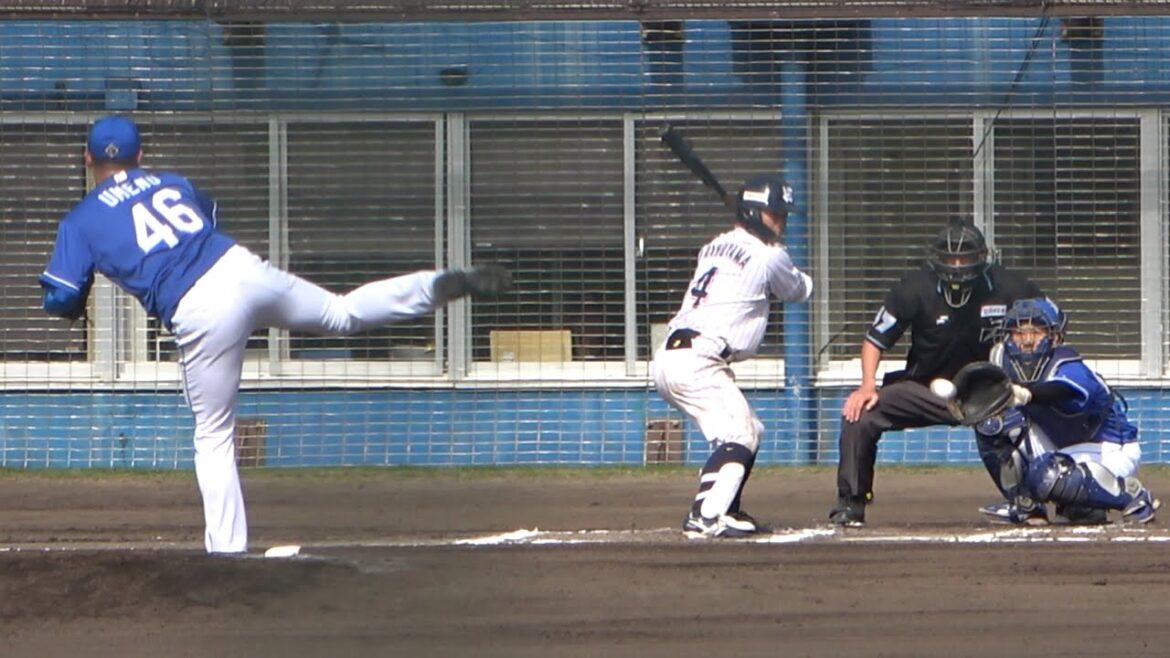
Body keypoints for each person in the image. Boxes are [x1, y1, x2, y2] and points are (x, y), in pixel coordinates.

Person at [39, 115, 512, 554]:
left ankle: (228, 554)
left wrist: (76, 296)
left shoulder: (80, 220)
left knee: (214, 434)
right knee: (341, 312)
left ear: (87, 158)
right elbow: (206, 218)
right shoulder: (170, 181)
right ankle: (437, 283)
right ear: (141, 156)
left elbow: (60, 298)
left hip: (199, 307)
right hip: (240, 267)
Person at [830, 218, 1042, 526]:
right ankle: (851, 502)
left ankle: (1035, 500)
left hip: (990, 394)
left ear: (981, 257)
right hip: (925, 390)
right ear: (936, 258)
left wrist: (1024, 370)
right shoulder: (914, 288)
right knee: (860, 414)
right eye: (950, 258)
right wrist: (866, 386)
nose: (957, 265)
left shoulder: (1007, 285)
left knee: (1032, 417)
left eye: (966, 257)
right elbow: (874, 340)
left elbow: (1047, 322)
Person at [652, 174, 813, 539]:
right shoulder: (770, 255)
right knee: (738, 433)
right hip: (700, 359)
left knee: (749, 428)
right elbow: (798, 291)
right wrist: (799, 274)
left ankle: (727, 507)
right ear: (755, 213)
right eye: (775, 214)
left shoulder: (712, 247)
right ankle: (705, 516)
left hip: (674, 356)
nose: (782, 221)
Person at [973, 297, 1158, 525]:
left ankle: (1131, 495)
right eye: (1019, 333)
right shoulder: (1003, 361)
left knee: (1048, 475)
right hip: (1057, 445)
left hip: (1107, 448)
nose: (1027, 341)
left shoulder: (1068, 364)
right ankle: (1027, 504)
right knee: (991, 425)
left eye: (1036, 332)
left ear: (1055, 337)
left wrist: (1028, 394)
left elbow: (1063, 391)